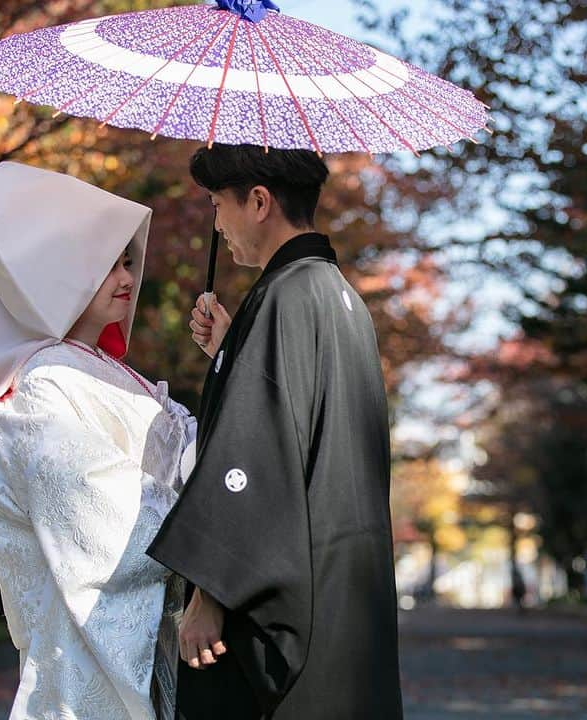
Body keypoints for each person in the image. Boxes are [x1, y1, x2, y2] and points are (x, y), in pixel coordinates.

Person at [146, 144, 403, 719]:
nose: (217, 222)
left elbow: (254, 459)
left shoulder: (283, 297)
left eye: (218, 204)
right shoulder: (339, 298)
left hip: (296, 613)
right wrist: (232, 349)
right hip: (344, 599)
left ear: (258, 201)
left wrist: (209, 594)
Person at [0, 162, 196, 720]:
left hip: (153, 630)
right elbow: (101, 516)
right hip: (82, 650)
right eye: (106, 264)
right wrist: (211, 525)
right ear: (59, 272)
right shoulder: (41, 384)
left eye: (127, 262)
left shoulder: (124, 378)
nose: (126, 277)